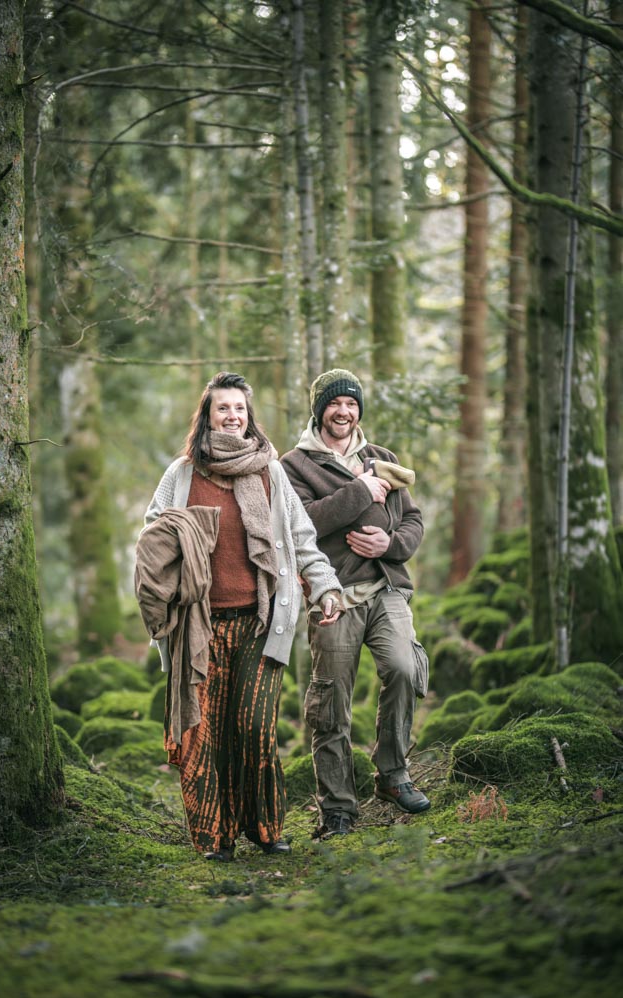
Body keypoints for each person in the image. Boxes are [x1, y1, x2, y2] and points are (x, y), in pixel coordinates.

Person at [135, 371, 342, 863]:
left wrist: (325, 585)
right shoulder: (182, 474)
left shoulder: (270, 472)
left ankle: (266, 828)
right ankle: (215, 836)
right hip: (198, 624)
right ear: (206, 417)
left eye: (239, 409)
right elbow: (152, 537)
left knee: (255, 728)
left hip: (260, 622)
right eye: (222, 408)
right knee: (203, 731)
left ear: (249, 417)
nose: (232, 416)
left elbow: (300, 537)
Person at [280, 368, 430, 838]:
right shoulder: (294, 466)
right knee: (331, 700)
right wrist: (360, 491)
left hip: (385, 587)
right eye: (334, 403)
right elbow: (304, 522)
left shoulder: (382, 457)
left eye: (351, 404)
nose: (343, 411)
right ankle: (338, 806)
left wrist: (391, 543)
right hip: (334, 596)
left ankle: (393, 774)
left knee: (404, 668)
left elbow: (413, 520)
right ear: (319, 410)